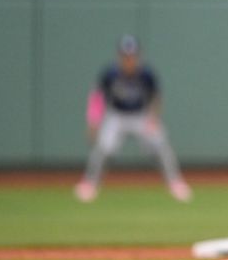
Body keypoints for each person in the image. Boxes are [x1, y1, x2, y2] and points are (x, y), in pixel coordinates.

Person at [74, 35, 192, 203]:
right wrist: (94, 121)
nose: (129, 59)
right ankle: (89, 183)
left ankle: (175, 182)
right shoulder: (110, 74)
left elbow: (156, 98)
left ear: (138, 56)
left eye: (132, 56)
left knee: (161, 144)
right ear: (120, 56)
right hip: (117, 115)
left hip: (141, 115)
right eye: (125, 56)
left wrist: (153, 118)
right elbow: (98, 98)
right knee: (103, 148)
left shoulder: (146, 74)